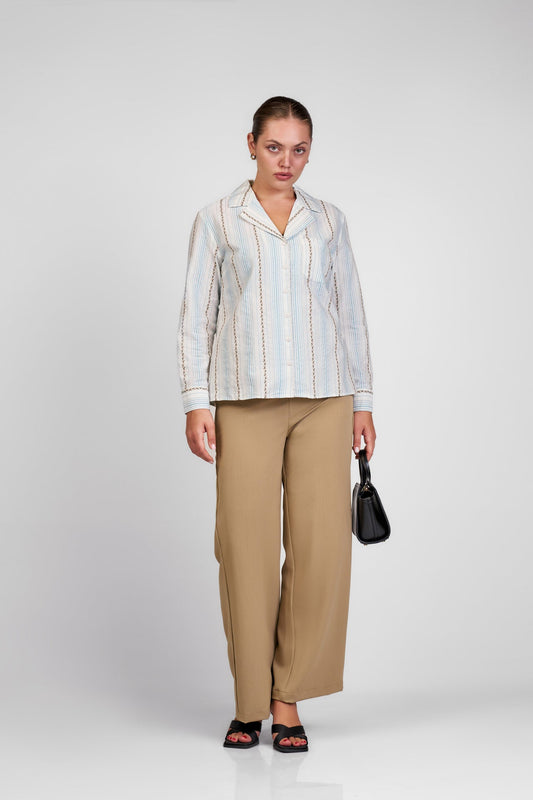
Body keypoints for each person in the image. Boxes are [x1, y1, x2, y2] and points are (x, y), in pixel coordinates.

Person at [176, 96, 376, 752]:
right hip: (243, 399)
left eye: (298, 149)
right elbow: (197, 315)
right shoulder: (217, 219)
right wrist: (196, 401)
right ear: (251, 144)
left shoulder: (329, 221)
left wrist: (363, 401)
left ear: (308, 151)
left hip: (324, 398)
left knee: (320, 551)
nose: (285, 161)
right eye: (273, 147)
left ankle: (287, 697)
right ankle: (248, 702)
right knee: (245, 551)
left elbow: (349, 313)